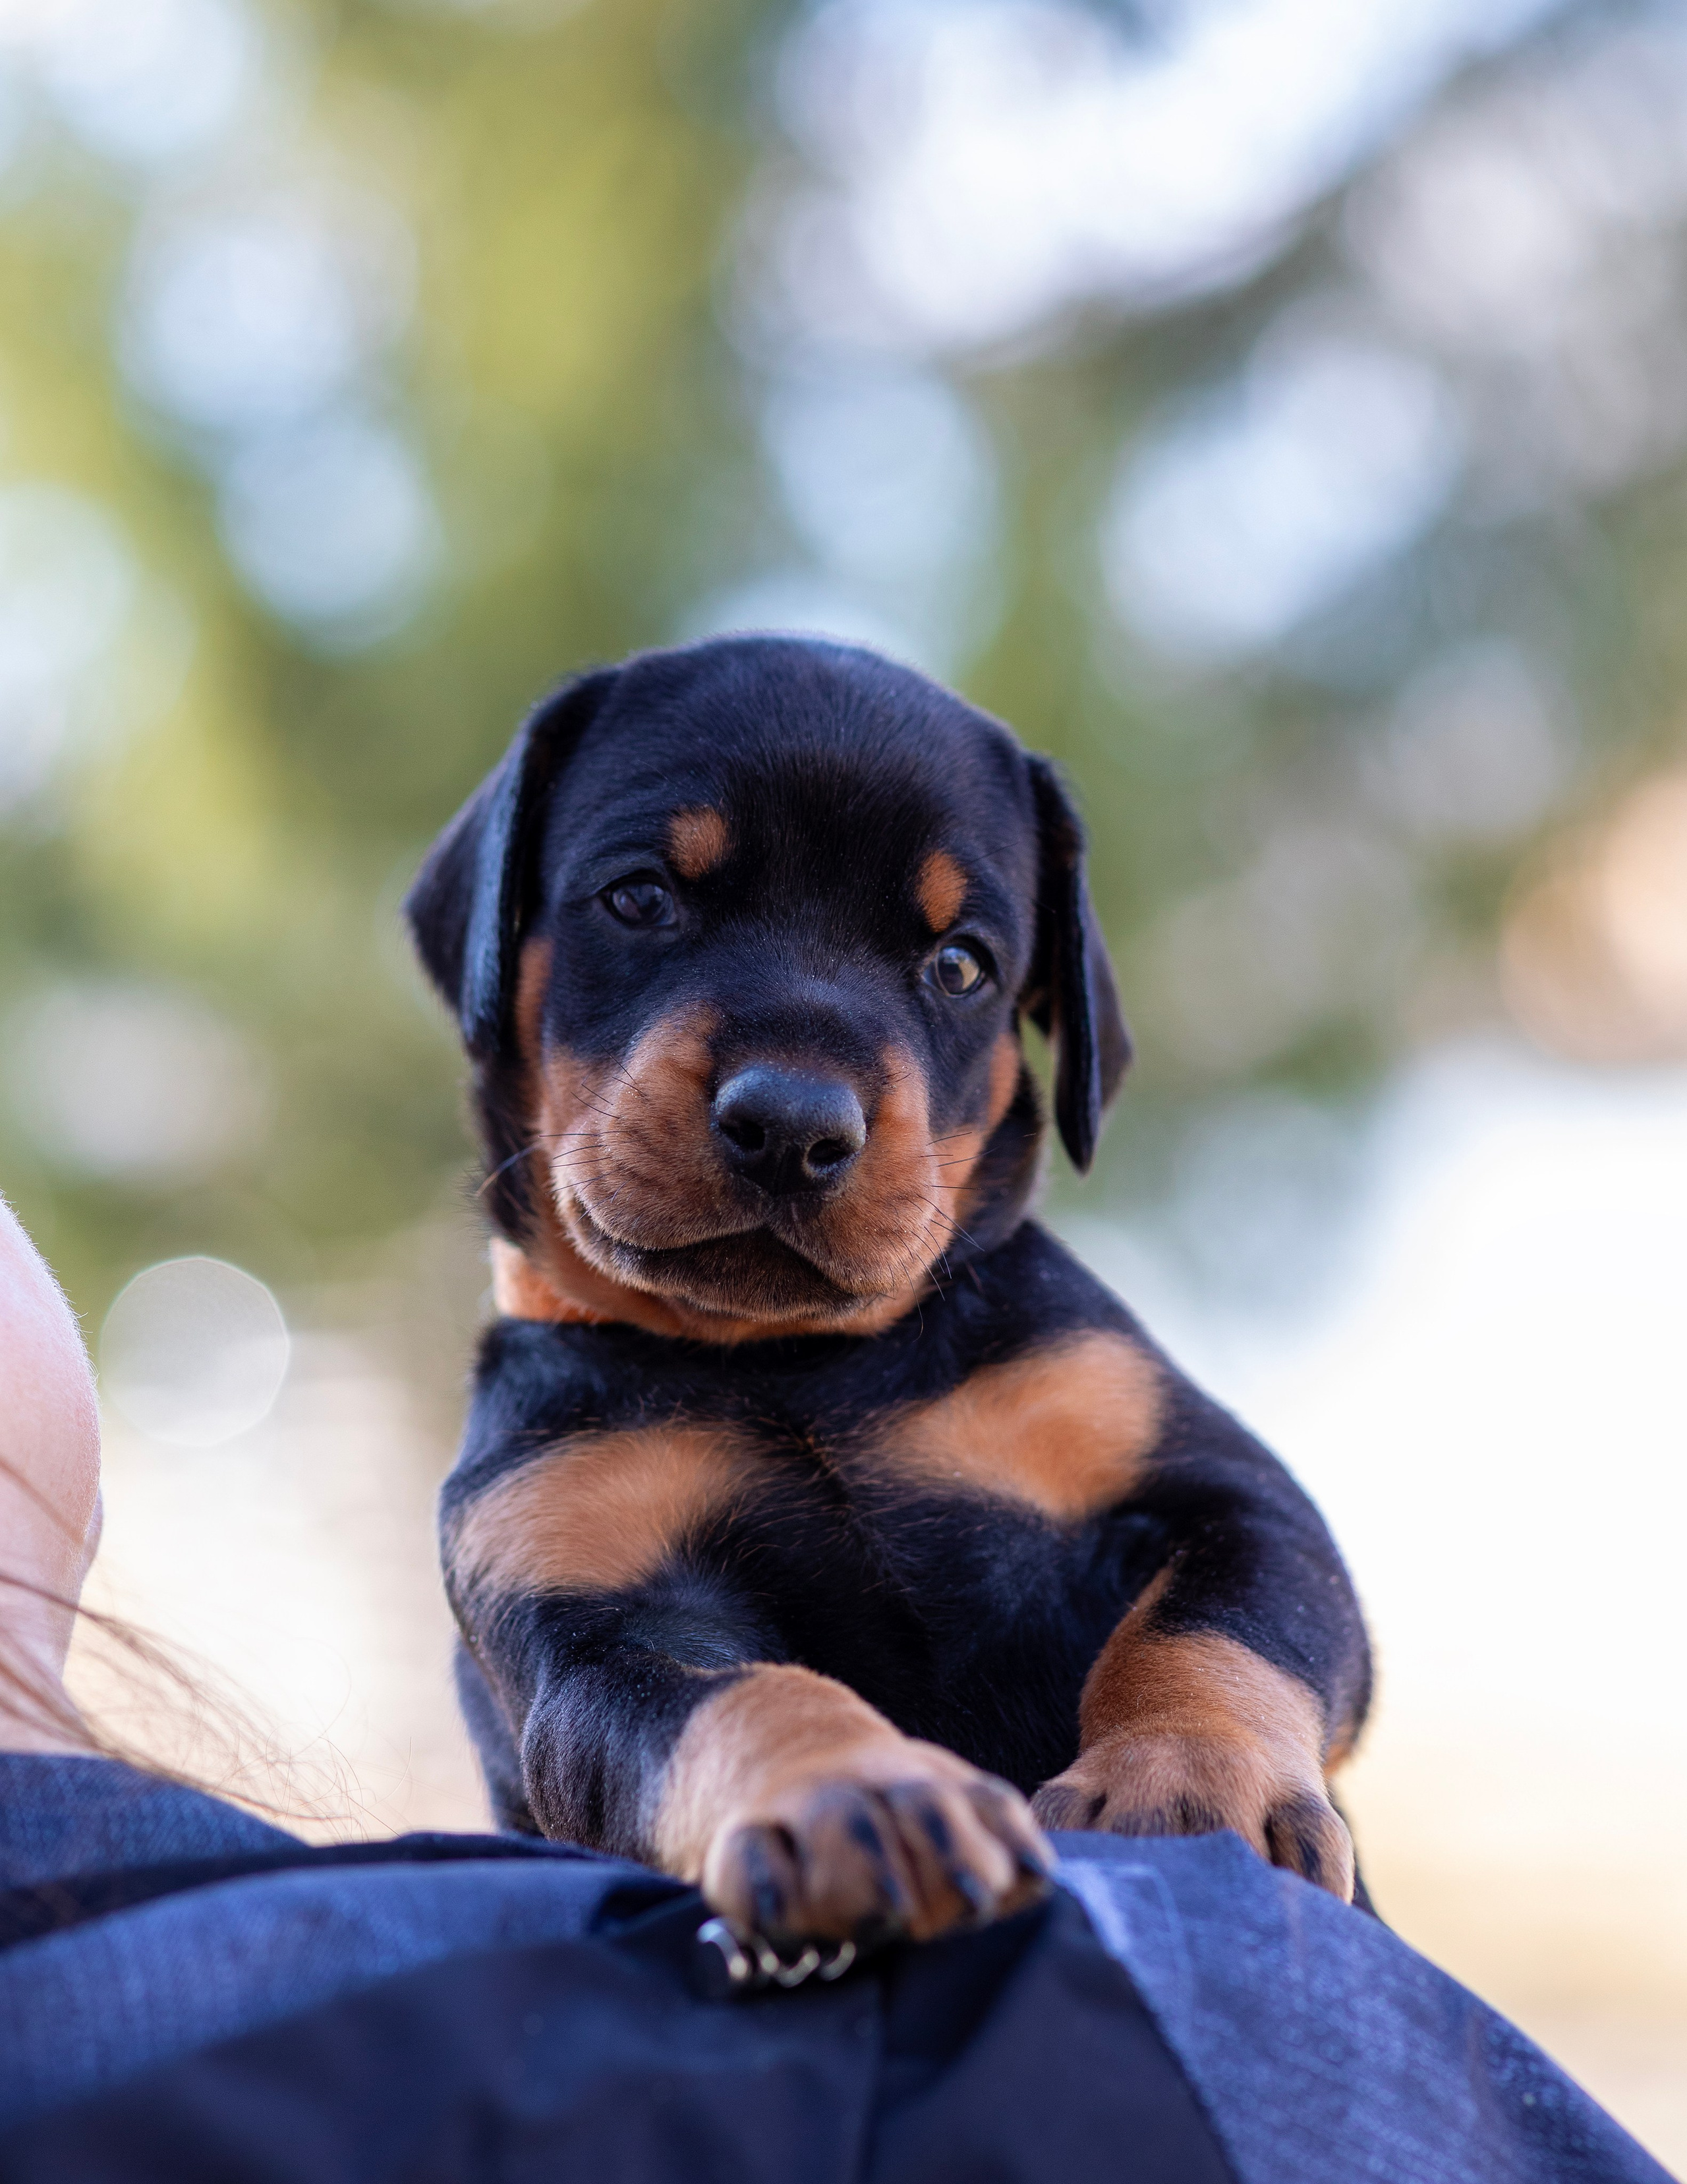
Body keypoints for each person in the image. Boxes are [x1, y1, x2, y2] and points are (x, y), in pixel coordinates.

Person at [0, 1197, 1667, 2183]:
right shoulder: (541, 1461)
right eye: (647, 905)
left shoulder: (1036, 1338)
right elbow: (607, 1699)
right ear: (505, 947)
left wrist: (1208, 1722)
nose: (787, 1078)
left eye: (946, 959)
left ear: (1045, 1040)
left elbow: (1250, 1542)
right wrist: (784, 1754)